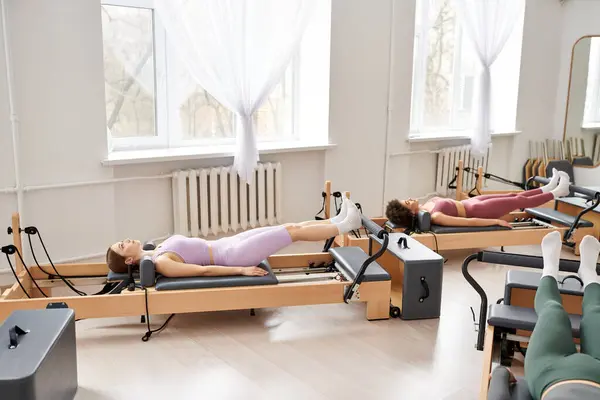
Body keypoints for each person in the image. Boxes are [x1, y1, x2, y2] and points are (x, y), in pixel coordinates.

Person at [106, 197, 362, 278]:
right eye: (122, 245)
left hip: (229, 243)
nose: (126, 240)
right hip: (233, 255)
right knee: (292, 233)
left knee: (288, 225)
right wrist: (242, 270)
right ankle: (347, 225)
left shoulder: (156, 249)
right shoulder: (162, 262)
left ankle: (338, 221)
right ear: (128, 261)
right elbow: (202, 272)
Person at [492, 231, 600, 400]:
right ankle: (589, 273)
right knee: (596, 311)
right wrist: (500, 374)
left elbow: (497, 388)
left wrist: (501, 373)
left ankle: (550, 268)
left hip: (549, 373)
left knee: (552, 310)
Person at [386, 169, 572, 229]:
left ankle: (548, 187)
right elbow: (468, 222)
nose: (410, 198)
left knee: (512, 196)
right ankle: (558, 192)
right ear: (411, 212)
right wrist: (496, 221)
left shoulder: (427, 206)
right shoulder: (435, 217)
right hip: (477, 210)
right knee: (517, 202)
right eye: (408, 202)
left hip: (471, 203)